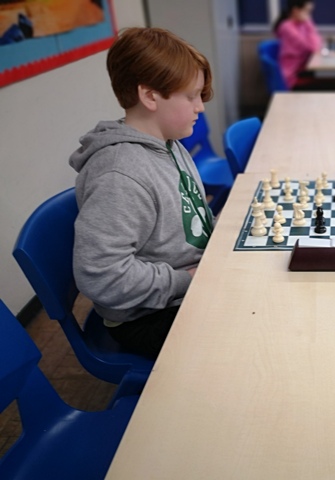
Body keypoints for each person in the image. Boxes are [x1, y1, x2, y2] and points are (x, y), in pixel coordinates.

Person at [69, 27, 215, 358]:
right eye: (191, 96)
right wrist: (188, 278)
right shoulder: (120, 175)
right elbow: (102, 276)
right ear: (150, 97)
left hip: (186, 286)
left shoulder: (170, 144)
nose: (201, 107)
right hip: (148, 316)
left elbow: (190, 217)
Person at [273, 0, 323, 90]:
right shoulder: (287, 28)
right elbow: (313, 47)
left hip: (302, 69)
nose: (309, 16)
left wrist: (308, 25)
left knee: (334, 80)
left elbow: (318, 43)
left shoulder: (300, 25)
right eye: (307, 11)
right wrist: (309, 23)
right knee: (333, 83)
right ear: (295, 10)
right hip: (293, 76)